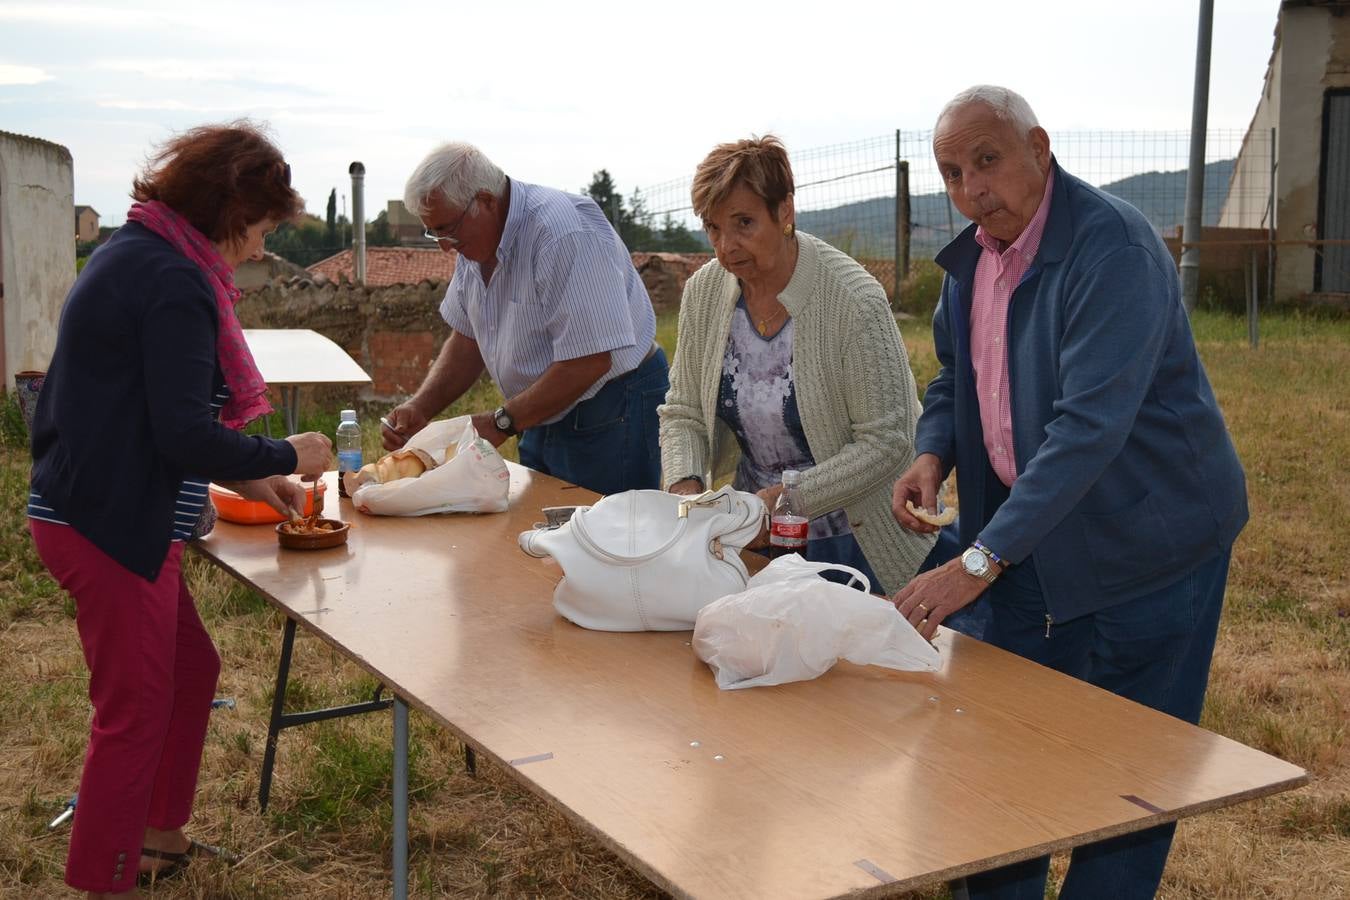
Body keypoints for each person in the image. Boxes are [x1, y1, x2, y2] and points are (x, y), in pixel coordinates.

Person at [891, 86, 1249, 899]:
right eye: (951, 172)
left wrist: (977, 561)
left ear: (1039, 148)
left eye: (987, 161)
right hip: (1028, 543)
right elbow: (958, 374)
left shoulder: (1111, 250)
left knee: (1130, 775)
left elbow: (1088, 430)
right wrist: (932, 452)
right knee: (996, 757)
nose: (970, 189)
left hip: (1151, 545)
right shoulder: (970, 261)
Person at [27, 123, 332, 897]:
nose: (262, 249)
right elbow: (184, 433)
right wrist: (284, 456)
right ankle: (107, 877)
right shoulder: (173, 282)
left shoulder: (139, 253)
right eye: (261, 229)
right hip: (106, 523)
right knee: (133, 714)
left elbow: (148, 411)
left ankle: (159, 836)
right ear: (228, 208)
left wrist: (261, 484)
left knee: (192, 668)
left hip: (94, 505)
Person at [660, 136, 934, 594]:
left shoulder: (853, 300)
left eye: (744, 223)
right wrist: (686, 490)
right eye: (713, 228)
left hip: (853, 541)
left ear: (784, 211)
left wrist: (784, 501)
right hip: (751, 533)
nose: (726, 247)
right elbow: (683, 411)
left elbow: (887, 441)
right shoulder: (705, 292)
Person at [383, 142, 668, 495]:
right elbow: (469, 338)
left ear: (486, 201)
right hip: (539, 412)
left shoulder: (563, 233)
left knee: (611, 538)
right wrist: (420, 407)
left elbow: (590, 360)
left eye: (448, 229)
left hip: (612, 406)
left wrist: (500, 422)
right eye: (434, 232)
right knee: (541, 535)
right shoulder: (474, 244)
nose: (445, 245)